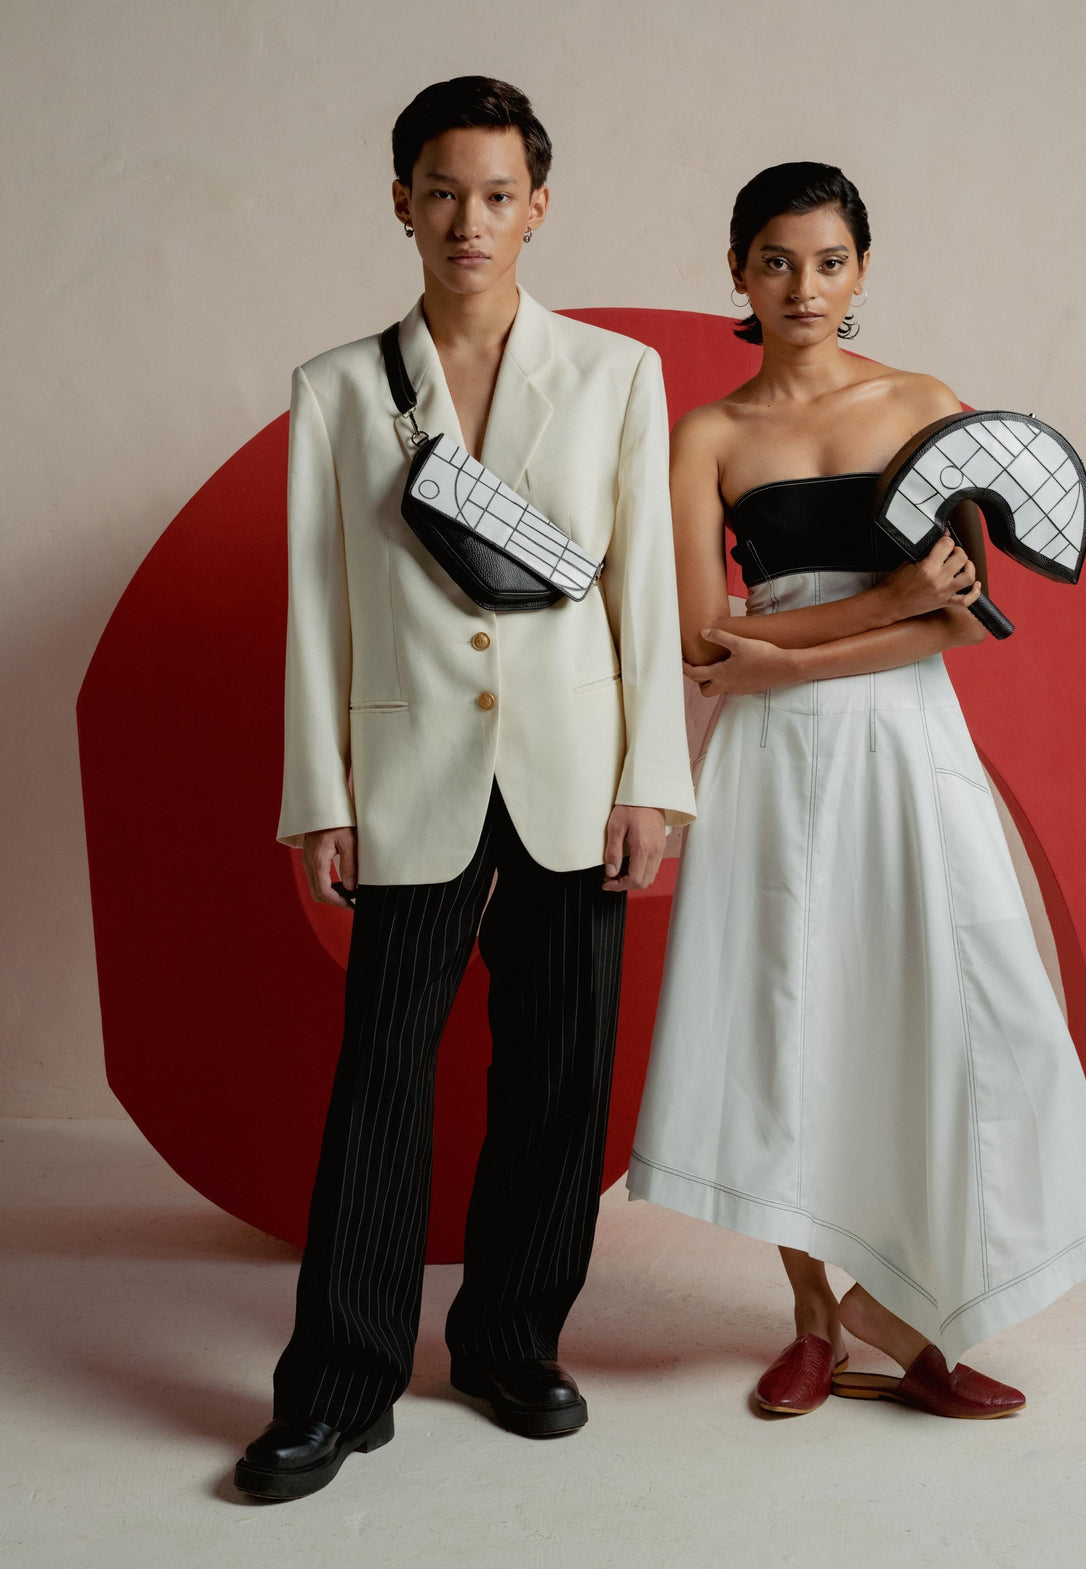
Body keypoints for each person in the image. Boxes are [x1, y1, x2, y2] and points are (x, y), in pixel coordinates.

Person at [234, 76, 695, 1500]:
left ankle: (508, 1340)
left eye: (499, 195)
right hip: (410, 772)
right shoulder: (335, 387)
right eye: (443, 192)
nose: (470, 220)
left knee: (560, 1078)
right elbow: (319, 605)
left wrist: (653, 779)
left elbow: (640, 593)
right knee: (382, 1077)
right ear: (401, 204)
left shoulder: (616, 375)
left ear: (539, 208)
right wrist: (320, 791)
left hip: (572, 771)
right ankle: (339, 1382)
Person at [627, 162, 1086, 1420]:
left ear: (862, 273)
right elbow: (702, 642)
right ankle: (808, 1324)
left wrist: (820, 636)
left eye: (830, 260)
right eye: (778, 260)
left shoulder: (925, 405)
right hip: (775, 771)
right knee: (791, 1020)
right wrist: (875, 608)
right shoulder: (711, 436)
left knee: (961, 1010)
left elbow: (956, 625)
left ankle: (907, 1318)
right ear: (737, 271)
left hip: (910, 747)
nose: (805, 285)